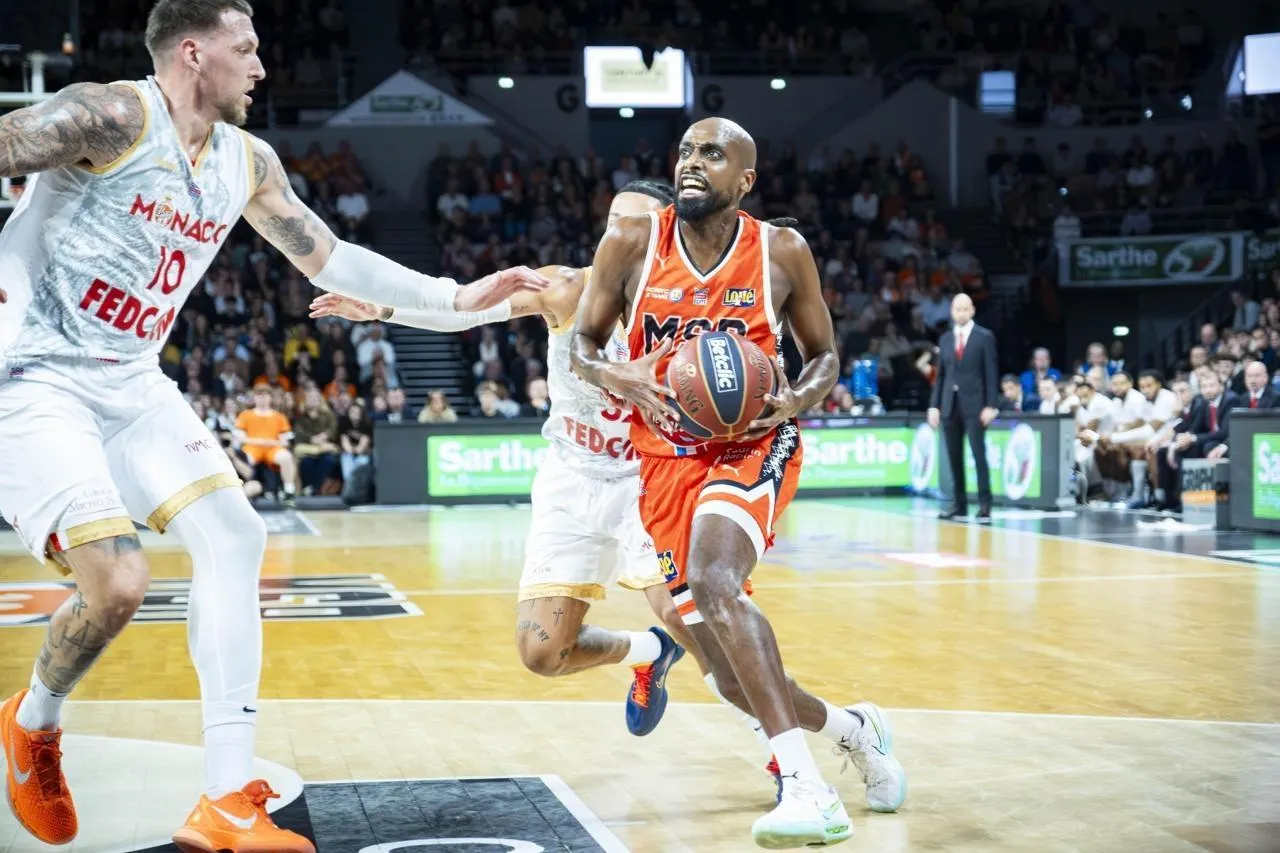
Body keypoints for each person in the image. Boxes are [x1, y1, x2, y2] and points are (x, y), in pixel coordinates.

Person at [0, 0, 547, 848]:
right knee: (119, 585)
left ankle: (225, 796)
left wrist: (456, 298)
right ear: (193, 53)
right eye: (246, 49)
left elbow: (332, 257)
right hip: (34, 378)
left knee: (235, 533)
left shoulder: (246, 162)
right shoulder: (111, 116)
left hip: (132, 379)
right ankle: (33, 721)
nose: (260, 67)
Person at [569, 117, 905, 848]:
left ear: (745, 180)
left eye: (712, 154)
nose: (692, 162)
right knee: (725, 673)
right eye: (686, 151)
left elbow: (824, 355)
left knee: (714, 579)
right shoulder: (630, 242)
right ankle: (854, 729)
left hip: (753, 442)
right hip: (665, 457)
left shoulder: (781, 251)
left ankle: (809, 791)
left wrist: (794, 400)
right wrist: (616, 373)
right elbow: (581, 345)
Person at [927, 294, 999, 522]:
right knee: (954, 457)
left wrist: (991, 405)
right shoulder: (946, 339)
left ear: (972, 310)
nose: (961, 313)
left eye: (965, 309)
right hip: (950, 404)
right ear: (951, 311)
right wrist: (934, 406)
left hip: (975, 405)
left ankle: (985, 504)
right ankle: (959, 505)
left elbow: (991, 372)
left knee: (979, 455)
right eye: (957, 309)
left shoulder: (984, 337)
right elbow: (941, 376)